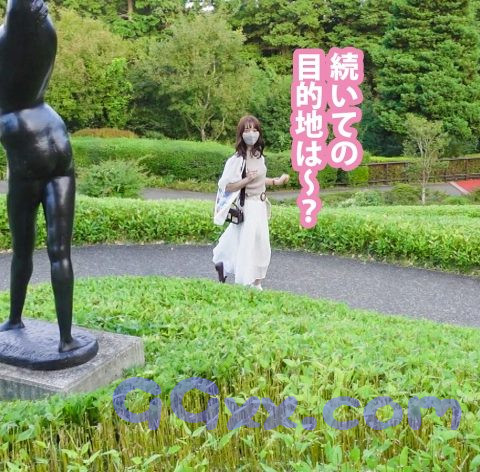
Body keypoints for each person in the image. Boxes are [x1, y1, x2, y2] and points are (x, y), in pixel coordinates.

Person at [212, 115, 290, 290]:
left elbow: (260, 179)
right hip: (248, 206)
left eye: (255, 130)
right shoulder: (238, 159)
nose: (252, 133)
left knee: (244, 240)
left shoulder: (258, 155)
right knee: (253, 244)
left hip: (260, 205)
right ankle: (249, 283)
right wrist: (246, 179)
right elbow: (227, 186)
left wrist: (276, 181)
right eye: (247, 130)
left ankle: (223, 263)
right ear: (241, 133)